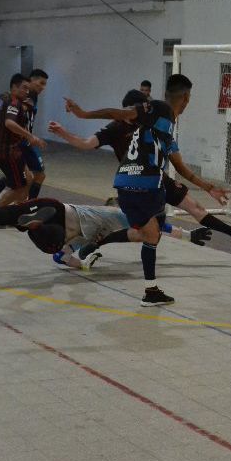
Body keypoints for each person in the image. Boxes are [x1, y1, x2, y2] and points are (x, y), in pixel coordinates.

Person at [49, 89, 231, 248]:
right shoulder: (116, 128)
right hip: (136, 184)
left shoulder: (157, 128)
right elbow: (86, 144)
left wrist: (209, 187)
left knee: (196, 208)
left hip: (159, 179)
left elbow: (180, 166)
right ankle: (96, 244)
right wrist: (65, 131)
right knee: (147, 232)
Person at [61, 74, 195, 306]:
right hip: (139, 184)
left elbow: (176, 161)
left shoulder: (153, 126)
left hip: (142, 184)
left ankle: (149, 288)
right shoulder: (139, 118)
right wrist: (80, 116)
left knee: (148, 231)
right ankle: (74, 247)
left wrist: (205, 186)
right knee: (141, 229)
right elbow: (96, 133)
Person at [0, 199, 211, 270]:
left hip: (54, 208)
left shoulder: (108, 229)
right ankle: (34, 223)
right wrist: (188, 236)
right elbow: (157, 228)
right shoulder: (119, 216)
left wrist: (83, 262)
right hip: (57, 228)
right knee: (57, 239)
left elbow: (64, 260)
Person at [0, 69, 50, 206]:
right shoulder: (16, 100)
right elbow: (3, 119)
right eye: (40, 83)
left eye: (45, 84)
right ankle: (21, 208)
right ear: (31, 81)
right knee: (27, 179)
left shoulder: (24, 97)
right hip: (20, 143)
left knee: (22, 178)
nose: (42, 87)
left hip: (20, 141)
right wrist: (27, 135)